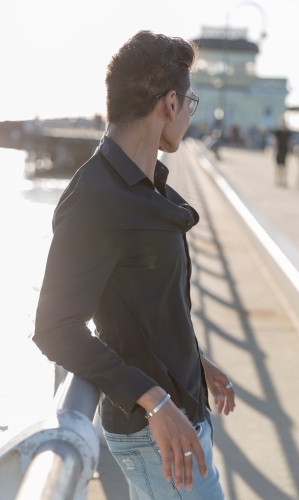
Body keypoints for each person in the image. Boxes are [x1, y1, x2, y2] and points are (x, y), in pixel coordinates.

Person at [33, 30, 235, 499]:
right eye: (190, 103)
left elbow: (139, 305)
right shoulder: (93, 199)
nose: (189, 115)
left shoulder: (146, 188)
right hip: (156, 436)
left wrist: (195, 360)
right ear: (170, 102)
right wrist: (156, 400)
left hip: (182, 416)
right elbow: (55, 326)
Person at [274, 118, 292, 187]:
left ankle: (284, 180)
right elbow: (276, 141)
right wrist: (275, 150)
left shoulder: (288, 133)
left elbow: (289, 142)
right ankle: (278, 180)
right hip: (279, 150)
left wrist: (290, 150)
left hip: (285, 151)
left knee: (284, 167)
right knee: (278, 167)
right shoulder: (278, 132)